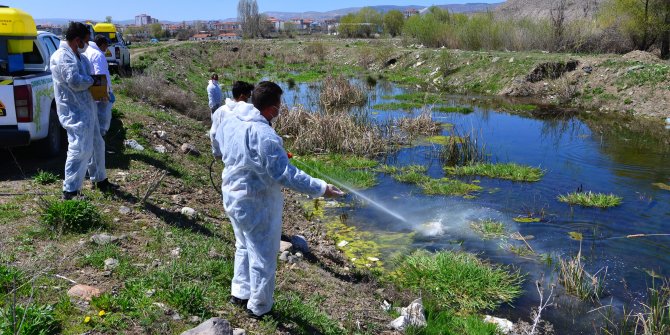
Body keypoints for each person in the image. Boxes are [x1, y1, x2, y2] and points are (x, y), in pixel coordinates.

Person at [214, 81, 343, 318]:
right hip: (255, 202)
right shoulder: (264, 134)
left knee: (243, 245)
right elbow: (285, 174)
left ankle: (240, 293)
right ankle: (259, 309)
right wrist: (322, 188)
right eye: (280, 106)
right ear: (273, 109)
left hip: (232, 197)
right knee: (263, 257)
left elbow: (218, 143)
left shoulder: (230, 118)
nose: (280, 110)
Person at [50, 22, 114, 200]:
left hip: (88, 109)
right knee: (79, 149)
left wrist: (100, 92)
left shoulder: (80, 56)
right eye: (85, 41)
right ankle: (70, 190)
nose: (87, 45)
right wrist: (93, 83)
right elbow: (76, 82)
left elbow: (88, 79)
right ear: (77, 40)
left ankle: (100, 179)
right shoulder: (62, 57)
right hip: (74, 111)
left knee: (97, 144)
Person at [209, 81, 254, 158]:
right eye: (249, 96)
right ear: (242, 96)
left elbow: (213, 133)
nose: (250, 99)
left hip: (225, 154)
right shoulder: (246, 114)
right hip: (240, 157)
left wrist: (217, 153)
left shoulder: (220, 110)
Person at [83, 34, 114, 136]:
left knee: (92, 116)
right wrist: (102, 94)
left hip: (89, 89)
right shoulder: (97, 54)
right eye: (106, 45)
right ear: (102, 45)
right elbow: (99, 73)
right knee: (101, 115)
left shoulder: (86, 51)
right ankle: (101, 136)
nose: (107, 48)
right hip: (99, 91)